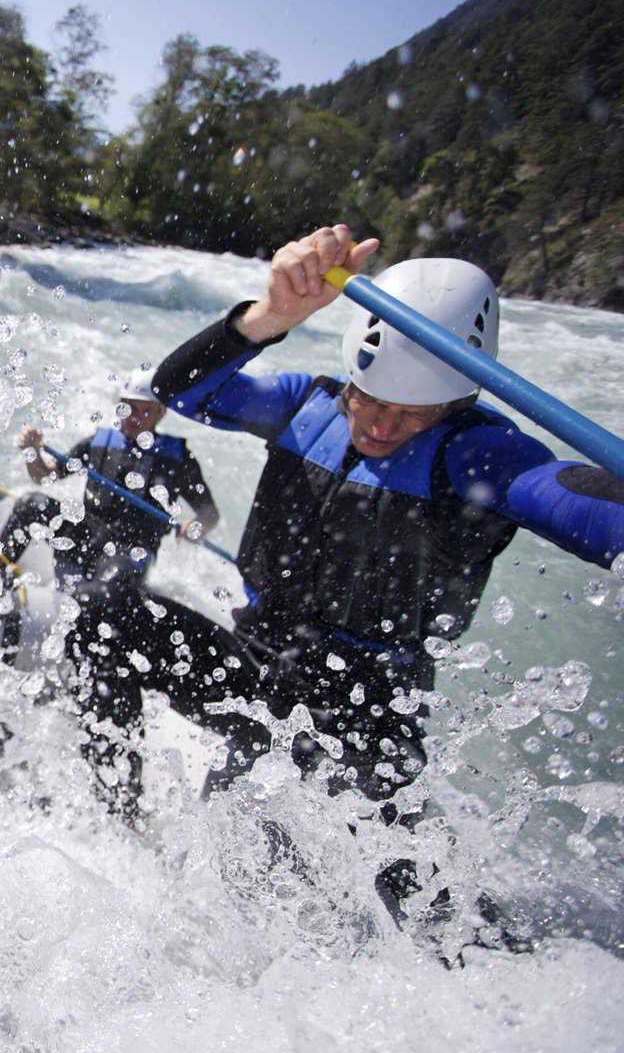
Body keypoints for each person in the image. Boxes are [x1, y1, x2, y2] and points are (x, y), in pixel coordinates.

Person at [140, 223, 624, 935]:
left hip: (366, 708)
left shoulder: (479, 454)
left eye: (409, 413)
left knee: (423, 921)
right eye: (367, 397)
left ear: (456, 401)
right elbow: (180, 390)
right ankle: (119, 808)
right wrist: (270, 316)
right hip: (258, 662)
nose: (379, 424)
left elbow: (574, 499)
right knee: (110, 619)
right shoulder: (308, 404)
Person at [0, 367, 220, 824]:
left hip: (131, 548)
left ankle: (80, 642)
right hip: (89, 533)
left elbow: (209, 514)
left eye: (143, 411)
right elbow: (45, 477)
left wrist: (193, 528)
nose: (133, 418)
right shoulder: (101, 441)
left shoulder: (177, 457)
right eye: (127, 408)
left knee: (103, 592)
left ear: (159, 413)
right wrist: (33, 451)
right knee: (31, 505)